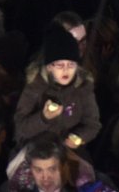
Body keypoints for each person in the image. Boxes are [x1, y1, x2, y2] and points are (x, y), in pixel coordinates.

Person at [13, 24, 101, 152]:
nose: (66, 70)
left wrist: (79, 137)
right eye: (60, 65)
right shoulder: (35, 86)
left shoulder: (83, 87)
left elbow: (92, 125)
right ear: (49, 67)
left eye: (71, 65)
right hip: (35, 151)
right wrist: (43, 118)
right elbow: (21, 128)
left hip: (68, 152)